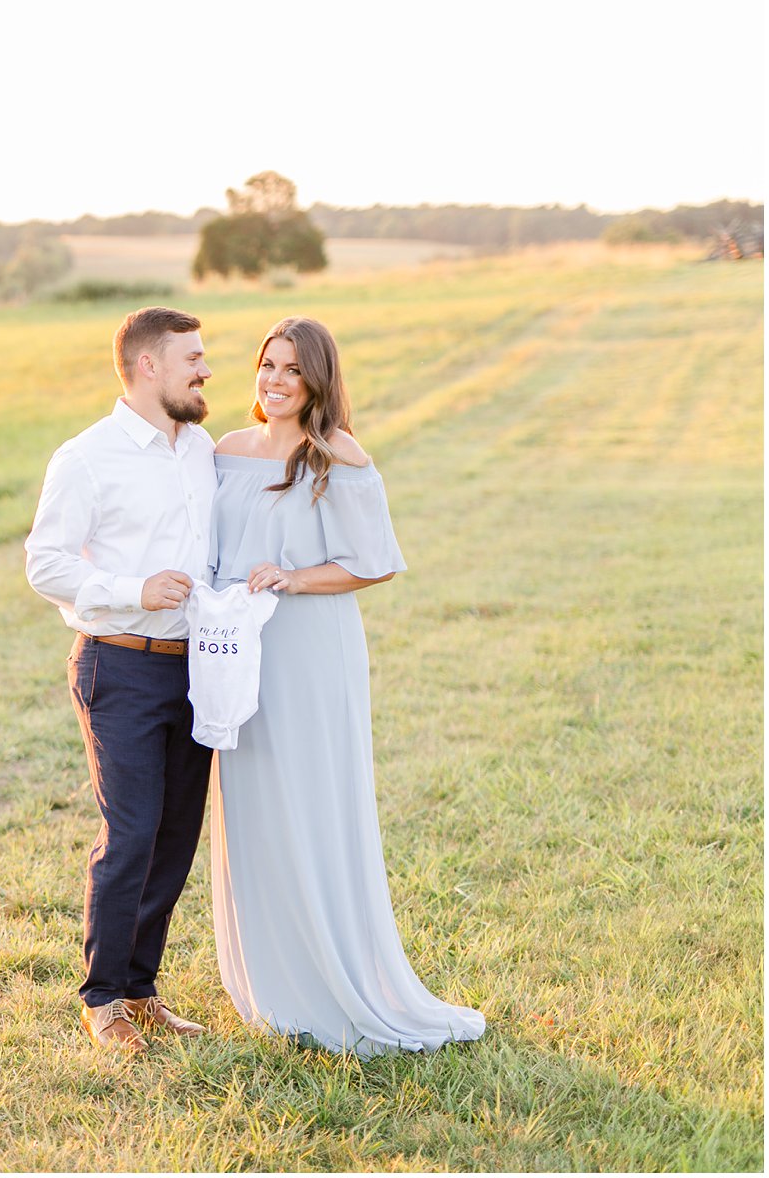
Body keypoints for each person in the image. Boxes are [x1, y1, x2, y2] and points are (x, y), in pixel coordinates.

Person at [208, 315, 485, 1056]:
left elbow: (374, 561)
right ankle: (273, 979)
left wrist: (291, 577)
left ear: (318, 380)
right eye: (267, 365)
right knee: (255, 803)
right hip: (238, 652)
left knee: (313, 801)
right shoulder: (226, 453)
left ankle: (336, 979)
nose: (274, 381)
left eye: (292, 370)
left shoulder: (338, 456)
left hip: (309, 648)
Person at [24, 306, 217, 1053]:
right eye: (192, 358)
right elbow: (46, 564)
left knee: (174, 837)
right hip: (120, 662)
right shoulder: (87, 457)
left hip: (197, 670)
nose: (205, 370)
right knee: (131, 833)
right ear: (147, 367)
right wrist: (136, 588)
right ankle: (102, 998)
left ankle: (143, 991)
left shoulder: (201, 448)